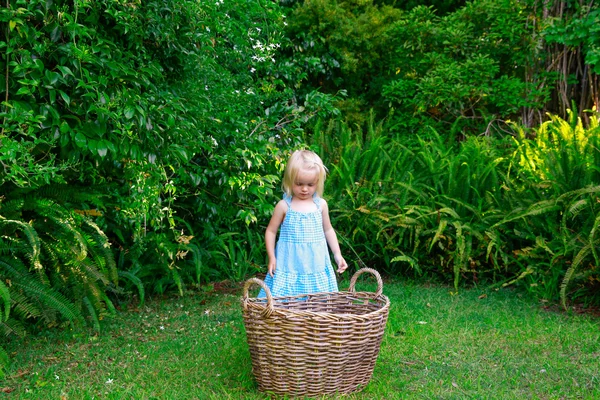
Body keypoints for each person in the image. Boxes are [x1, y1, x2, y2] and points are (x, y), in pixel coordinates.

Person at [258, 149, 348, 298]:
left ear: (318, 182)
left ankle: (314, 319)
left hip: (315, 264)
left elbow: (328, 230)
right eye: (299, 184)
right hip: (289, 264)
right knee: (285, 302)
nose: (305, 189)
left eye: (310, 184)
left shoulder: (321, 205)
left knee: (318, 303)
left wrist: (337, 255)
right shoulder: (284, 206)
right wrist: (272, 256)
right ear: (289, 180)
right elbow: (271, 231)